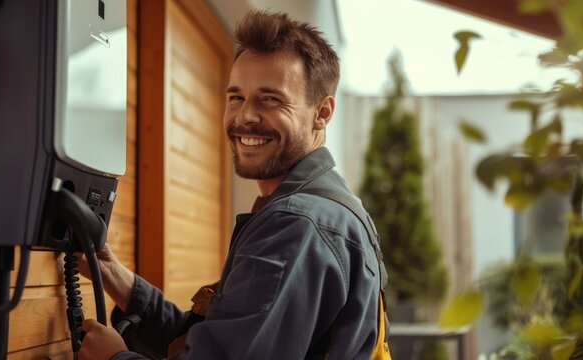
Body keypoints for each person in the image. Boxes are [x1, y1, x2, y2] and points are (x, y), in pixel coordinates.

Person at [77, 10, 389, 360]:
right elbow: (219, 342)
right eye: (236, 97)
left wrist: (114, 359)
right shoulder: (329, 208)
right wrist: (113, 275)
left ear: (323, 112)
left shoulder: (297, 225)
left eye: (270, 99)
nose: (244, 117)